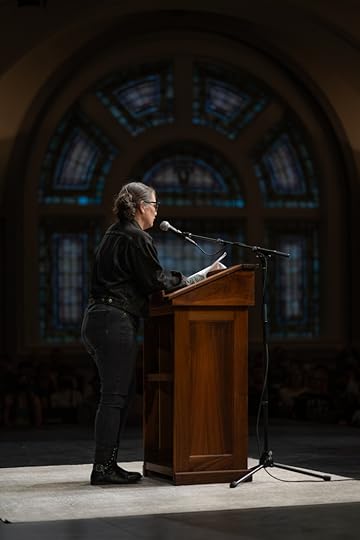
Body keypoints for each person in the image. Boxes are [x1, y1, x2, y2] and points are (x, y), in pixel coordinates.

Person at [81, 181, 189, 486]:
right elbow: (155, 280)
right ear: (141, 206)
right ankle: (102, 468)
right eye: (154, 205)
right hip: (115, 321)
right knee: (114, 397)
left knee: (117, 395)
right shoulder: (136, 237)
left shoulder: (111, 235)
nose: (157, 212)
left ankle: (107, 464)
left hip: (96, 320)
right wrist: (188, 279)